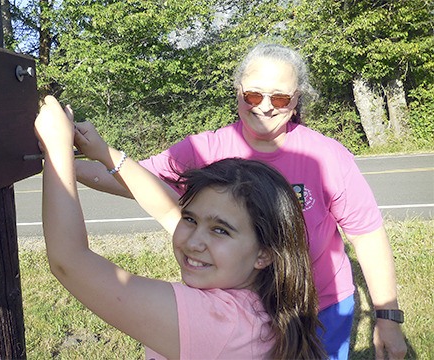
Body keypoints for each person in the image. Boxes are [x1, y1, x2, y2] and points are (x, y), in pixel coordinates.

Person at [74, 43, 407, 359]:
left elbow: (367, 235)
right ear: (237, 92)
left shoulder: (327, 157)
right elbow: (135, 179)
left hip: (318, 308)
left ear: (296, 100)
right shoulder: (204, 149)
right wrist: (60, 161)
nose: (263, 105)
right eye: (252, 94)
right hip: (235, 312)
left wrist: (387, 317)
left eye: (279, 98)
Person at [34, 95, 326, 359]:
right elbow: (167, 206)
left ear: (264, 252)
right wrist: (103, 153)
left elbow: (70, 262)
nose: (193, 242)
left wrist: (57, 149)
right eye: (191, 219)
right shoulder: (266, 300)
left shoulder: (219, 323)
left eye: (220, 230)